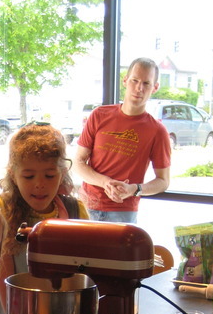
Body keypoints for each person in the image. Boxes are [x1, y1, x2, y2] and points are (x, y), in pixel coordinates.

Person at [0, 122, 88, 314]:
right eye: (28, 176)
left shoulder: (75, 210)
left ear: (63, 172)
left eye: (49, 175)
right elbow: (3, 272)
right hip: (7, 312)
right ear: (13, 174)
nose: (39, 185)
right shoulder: (3, 208)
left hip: (55, 311)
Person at [73, 57, 171, 223]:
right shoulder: (99, 115)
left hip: (123, 212)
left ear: (155, 87)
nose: (139, 88)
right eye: (135, 80)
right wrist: (106, 183)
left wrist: (134, 189)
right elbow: (78, 162)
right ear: (125, 80)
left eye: (146, 83)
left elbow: (163, 181)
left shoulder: (157, 131)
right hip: (86, 205)